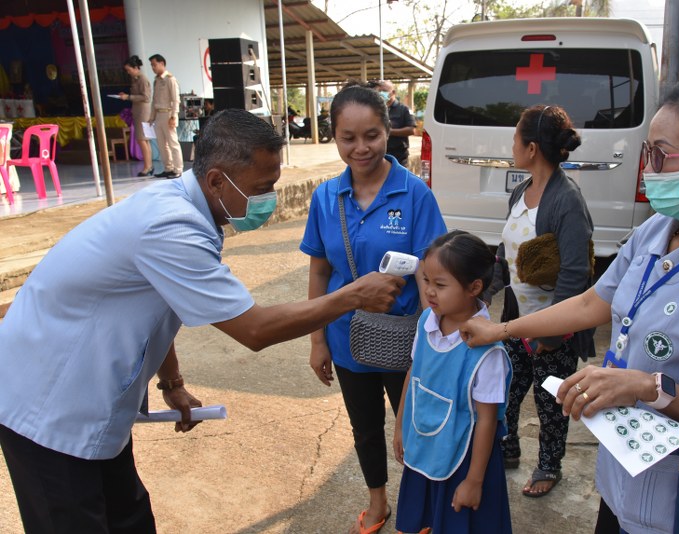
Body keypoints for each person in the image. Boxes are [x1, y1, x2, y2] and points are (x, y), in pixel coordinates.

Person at [0, 109, 405, 534]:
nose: (268, 199)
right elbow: (255, 329)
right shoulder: (170, 226)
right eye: (261, 188)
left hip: (90, 405)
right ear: (216, 181)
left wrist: (171, 382)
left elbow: (162, 303)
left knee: (130, 520)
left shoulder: (187, 211)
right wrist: (352, 296)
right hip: (47, 409)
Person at [461, 75, 679, 533]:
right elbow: (591, 302)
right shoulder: (658, 231)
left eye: (661, 155)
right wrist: (501, 330)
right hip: (625, 485)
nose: (647, 169)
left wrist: (644, 385)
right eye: (647, 153)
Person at [300, 82, 447, 534]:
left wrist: (435, 340)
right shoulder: (325, 197)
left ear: (387, 132)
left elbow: (430, 274)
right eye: (348, 138)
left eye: (371, 136)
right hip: (347, 339)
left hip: (407, 340)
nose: (360, 148)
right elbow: (319, 273)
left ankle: (420, 508)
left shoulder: (415, 194)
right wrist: (318, 340)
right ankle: (377, 503)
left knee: (417, 427)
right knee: (364, 427)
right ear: (334, 137)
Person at [487, 105, 594, 497]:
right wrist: (483, 294)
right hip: (518, 321)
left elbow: (575, 273)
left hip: (554, 330)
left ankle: (550, 465)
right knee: (507, 390)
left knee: (551, 401)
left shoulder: (567, 200)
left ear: (531, 148)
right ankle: (508, 447)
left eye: (516, 139)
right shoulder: (521, 191)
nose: (512, 146)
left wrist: (552, 334)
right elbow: (506, 255)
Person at [392, 231, 512, 534]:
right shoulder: (427, 321)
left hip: (465, 458)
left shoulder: (487, 352)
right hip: (426, 441)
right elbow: (414, 374)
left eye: (440, 284)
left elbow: (487, 420)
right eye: (426, 280)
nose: (429, 291)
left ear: (474, 287)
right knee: (428, 518)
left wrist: (474, 481)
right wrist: (400, 427)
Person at [148, 53, 183, 178]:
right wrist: (152, 117)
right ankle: (168, 168)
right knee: (162, 145)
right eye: (151, 65)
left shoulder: (170, 79)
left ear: (162, 63)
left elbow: (176, 99)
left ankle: (178, 169)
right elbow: (154, 100)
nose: (153, 67)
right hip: (158, 115)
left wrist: (173, 116)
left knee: (173, 143)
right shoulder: (156, 81)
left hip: (168, 114)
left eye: (154, 65)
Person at [119, 55, 154, 177]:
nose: (128, 73)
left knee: (142, 139)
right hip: (139, 111)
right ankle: (149, 165)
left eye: (129, 70)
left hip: (143, 113)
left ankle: (147, 166)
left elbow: (146, 97)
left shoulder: (142, 79)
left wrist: (128, 97)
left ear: (135, 68)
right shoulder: (135, 79)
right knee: (144, 140)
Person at [376, 80, 416, 168]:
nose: (381, 93)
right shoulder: (377, 110)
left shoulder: (404, 109)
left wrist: (389, 132)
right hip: (380, 156)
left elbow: (411, 130)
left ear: (393, 92)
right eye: (379, 91)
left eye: (384, 91)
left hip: (399, 156)